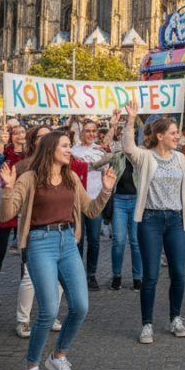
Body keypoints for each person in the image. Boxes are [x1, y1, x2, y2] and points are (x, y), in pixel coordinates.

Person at [0, 132, 115, 370]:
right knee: (49, 311)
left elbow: (91, 210)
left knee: (81, 307)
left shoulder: (71, 177)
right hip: (40, 242)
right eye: (64, 146)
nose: (69, 150)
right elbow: (6, 214)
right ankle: (30, 369)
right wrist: (8, 187)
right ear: (50, 148)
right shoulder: (28, 178)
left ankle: (57, 357)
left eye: (69, 146)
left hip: (67, 242)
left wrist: (106, 190)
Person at [117, 101, 185, 344]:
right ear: (160, 136)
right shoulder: (145, 157)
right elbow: (128, 147)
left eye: (178, 133)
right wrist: (131, 119)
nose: (178, 137)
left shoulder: (180, 159)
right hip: (151, 221)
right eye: (174, 133)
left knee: (178, 274)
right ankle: (147, 324)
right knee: (151, 275)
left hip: (175, 220)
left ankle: (175, 318)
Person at [12, 125, 69, 337]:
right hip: (33, 227)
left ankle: (50, 313)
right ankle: (23, 320)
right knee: (29, 276)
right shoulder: (23, 167)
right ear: (34, 141)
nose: (48, 140)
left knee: (58, 277)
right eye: (42, 137)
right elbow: (14, 203)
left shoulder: (63, 165)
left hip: (59, 228)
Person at [87, 119, 142, 291]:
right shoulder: (115, 155)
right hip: (119, 201)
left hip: (136, 201)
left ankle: (137, 278)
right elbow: (96, 163)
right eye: (120, 135)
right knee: (118, 240)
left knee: (135, 240)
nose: (123, 138)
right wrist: (86, 162)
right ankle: (116, 276)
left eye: (126, 135)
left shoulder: (141, 154)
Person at [0, 119, 26, 306]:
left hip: (26, 204)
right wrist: (2, 143)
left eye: (23, 132)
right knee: (0, 251)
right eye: (16, 132)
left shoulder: (30, 154)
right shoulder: (6, 153)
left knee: (26, 252)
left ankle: (25, 289)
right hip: (7, 203)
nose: (20, 135)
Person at [70, 120, 110, 291]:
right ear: (81, 132)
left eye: (94, 131)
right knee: (77, 240)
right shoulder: (73, 151)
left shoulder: (101, 151)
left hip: (94, 201)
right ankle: (77, 275)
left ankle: (91, 275)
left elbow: (106, 174)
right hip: (77, 201)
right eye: (88, 131)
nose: (91, 134)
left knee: (94, 240)